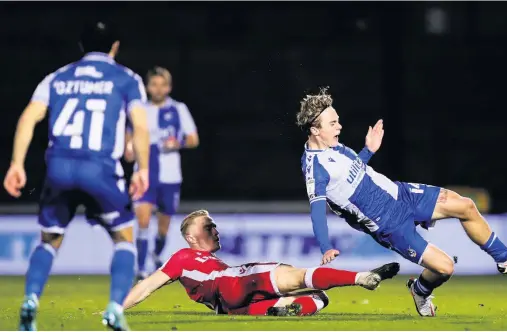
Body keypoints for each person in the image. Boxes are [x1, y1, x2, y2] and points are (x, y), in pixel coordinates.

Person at [295, 87, 507, 317]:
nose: (340, 125)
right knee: (445, 268)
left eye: (337, 119)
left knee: (465, 205)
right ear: (315, 130)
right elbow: (317, 211)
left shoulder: (334, 146)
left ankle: (504, 257)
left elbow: (351, 174)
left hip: (400, 194)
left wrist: (368, 150)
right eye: (333, 123)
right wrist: (325, 246)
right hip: (389, 225)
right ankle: (420, 290)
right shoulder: (315, 169)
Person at [3, 21, 150, 331]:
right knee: (124, 239)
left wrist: (17, 163)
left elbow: (29, 116)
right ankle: (114, 308)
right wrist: (142, 169)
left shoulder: (57, 77)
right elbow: (139, 126)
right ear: (115, 47)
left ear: (81, 47)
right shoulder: (127, 79)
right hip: (100, 170)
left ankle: (31, 300)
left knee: (49, 240)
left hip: (59, 169)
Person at [123, 210, 400, 316]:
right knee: (295, 274)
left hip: (230, 307)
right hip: (232, 282)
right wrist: (118, 306)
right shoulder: (183, 257)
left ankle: (274, 310)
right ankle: (361, 278)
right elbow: (147, 285)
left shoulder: (206, 262)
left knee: (319, 298)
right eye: (209, 226)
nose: (215, 230)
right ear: (190, 237)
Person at [123, 66, 199, 280]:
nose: (158, 89)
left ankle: (156, 253)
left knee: (163, 227)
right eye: (154, 84)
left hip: (170, 175)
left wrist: (179, 142)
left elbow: (193, 139)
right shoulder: (138, 110)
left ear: (169, 87)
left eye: (162, 84)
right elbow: (128, 141)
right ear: (147, 86)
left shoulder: (178, 109)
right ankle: (141, 268)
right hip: (145, 173)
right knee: (143, 220)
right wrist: (128, 150)